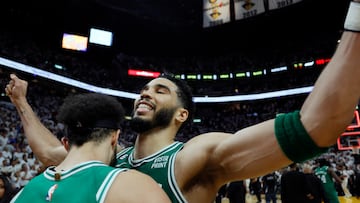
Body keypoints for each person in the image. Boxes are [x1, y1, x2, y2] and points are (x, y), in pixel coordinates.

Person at [5, 1, 360, 202]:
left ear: (182, 114)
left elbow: (313, 127)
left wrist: (355, 23)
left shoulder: (194, 156)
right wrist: (21, 102)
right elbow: (53, 154)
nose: (146, 92)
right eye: (146, 88)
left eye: (161, 90)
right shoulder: (112, 156)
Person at [9, 93, 171, 203]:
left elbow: (46, 152)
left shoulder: (25, 192)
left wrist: (21, 102)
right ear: (115, 138)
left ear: (65, 143)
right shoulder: (130, 183)